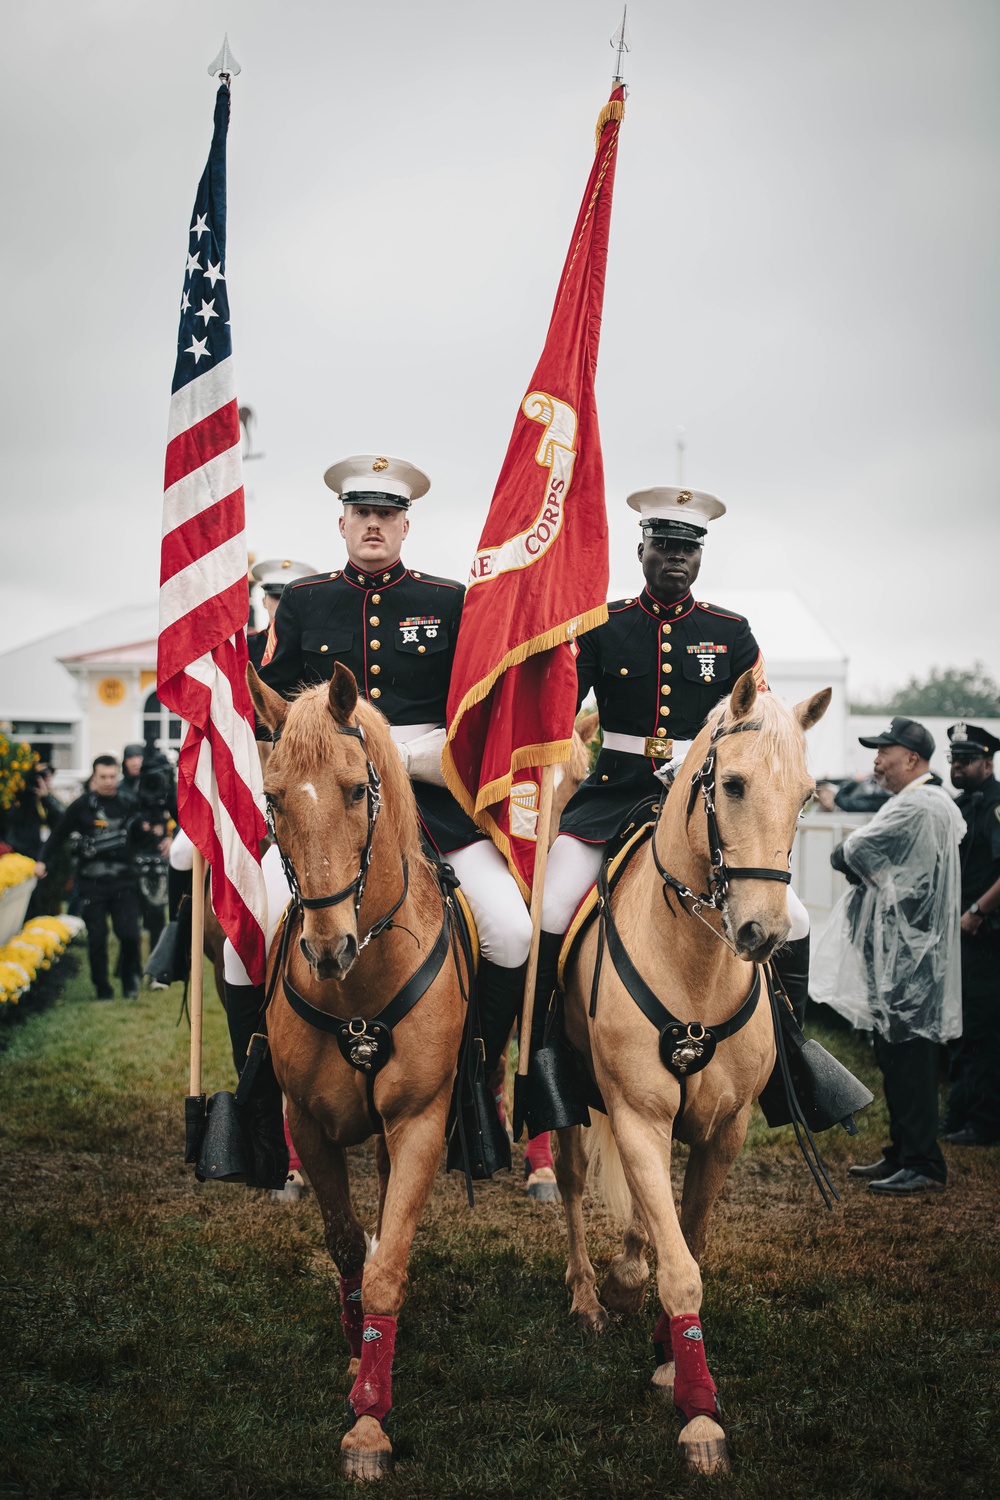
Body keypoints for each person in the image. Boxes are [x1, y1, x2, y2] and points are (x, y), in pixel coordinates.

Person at [221, 454, 532, 1186]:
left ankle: (474, 1085)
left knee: (513, 931)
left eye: (386, 515)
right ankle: (262, 1092)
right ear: (341, 523)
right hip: (327, 804)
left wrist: (434, 756)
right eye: (361, 513)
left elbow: (481, 703)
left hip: (429, 801)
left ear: (404, 525)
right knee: (244, 935)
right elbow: (268, 699)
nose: (373, 525)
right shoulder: (301, 601)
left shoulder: (448, 601)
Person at [515, 488, 811, 1089]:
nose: (676, 557)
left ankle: (790, 1061)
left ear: (700, 558)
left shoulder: (730, 633)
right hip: (614, 798)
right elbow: (561, 712)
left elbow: (761, 724)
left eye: (687, 548)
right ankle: (547, 1055)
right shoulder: (603, 625)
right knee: (548, 908)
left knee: (797, 921)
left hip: (707, 807)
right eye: (665, 545)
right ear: (642, 548)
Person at [811, 717, 965, 1196]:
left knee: (910, 1061)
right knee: (895, 1057)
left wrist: (866, 868)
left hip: (910, 961)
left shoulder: (918, 805)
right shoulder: (924, 802)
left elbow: (847, 853)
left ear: (913, 759)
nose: (876, 761)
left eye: (884, 752)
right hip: (906, 954)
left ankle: (922, 1162)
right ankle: (903, 1152)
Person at [37, 755, 144, 1000]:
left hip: (124, 881)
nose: (108, 781)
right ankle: (102, 989)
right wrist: (43, 860)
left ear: (117, 775)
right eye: (102, 777)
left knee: (129, 935)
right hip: (91, 883)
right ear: (94, 777)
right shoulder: (82, 806)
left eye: (112, 776)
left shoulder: (130, 803)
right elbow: (58, 834)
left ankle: (129, 982)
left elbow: (144, 835)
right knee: (97, 939)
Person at [940, 722, 1000, 1146]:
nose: (957, 765)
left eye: (966, 759)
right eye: (953, 758)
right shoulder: (962, 804)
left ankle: (984, 1121)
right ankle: (961, 1113)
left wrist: (979, 910)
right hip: (960, 933)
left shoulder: (997, 805)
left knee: (982, 1027)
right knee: (961, 1024)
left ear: (988, 761)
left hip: (986, 934)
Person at [247, 557, 318, 669]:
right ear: (264, 601)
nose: (282, 603)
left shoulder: (314, 645)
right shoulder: (247, 646)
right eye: (276, 596)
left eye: (291, 598)